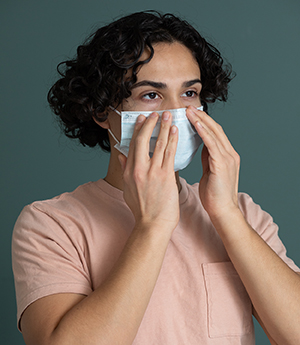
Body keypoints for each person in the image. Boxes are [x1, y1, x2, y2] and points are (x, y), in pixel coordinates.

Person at [12, 11, 300, 345]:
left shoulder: (243, 213)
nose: (176, 114)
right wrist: (153, 227)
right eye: (151, 95)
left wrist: (226, 215)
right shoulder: (50, 224)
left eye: (190, 93)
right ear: (103, 111)